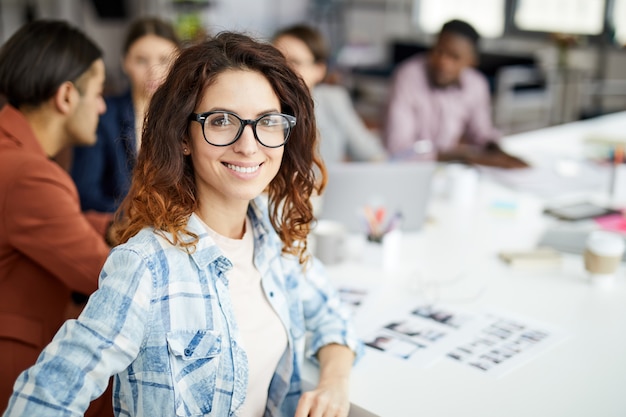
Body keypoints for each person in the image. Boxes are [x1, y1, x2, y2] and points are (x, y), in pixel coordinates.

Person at [4, 32, 362, 417]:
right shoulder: (146, 264)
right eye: (222, 120)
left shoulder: (273, 238)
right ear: (184, 136)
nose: (249, 145)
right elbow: (46, 397)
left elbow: (332, 315)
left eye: (268, 121)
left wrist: (333, 384)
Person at [0, 20, 114, 416]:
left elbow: (55, 226)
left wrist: (113, 226)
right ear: (67, 96)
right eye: (99, 93)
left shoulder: (14, 157)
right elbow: (105, 277)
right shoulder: (30, 175)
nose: (102, 106)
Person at [71, 17, 181, 213]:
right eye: (141, 60)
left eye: (164, 60)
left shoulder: (188, 117)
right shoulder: (102, 116)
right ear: (125, 63)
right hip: (121, 232)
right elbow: (85, 195)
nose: (153, 71)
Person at [383, 19, 528, 168]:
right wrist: (462, 155)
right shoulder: (407, 77)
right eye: (438, 51)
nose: (443, 62)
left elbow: (481, 133)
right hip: (408, 170)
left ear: (471, 61)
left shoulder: (476, 85)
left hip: (446, 170)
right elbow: (399, 150)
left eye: (454, 57)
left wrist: (496, 151)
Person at [273, 23, 387, 164]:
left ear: (319, 70)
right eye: (276, 61)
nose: (282, 69)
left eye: (295, 62)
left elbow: (370, 153)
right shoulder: (261, 105)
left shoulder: (333, 99)